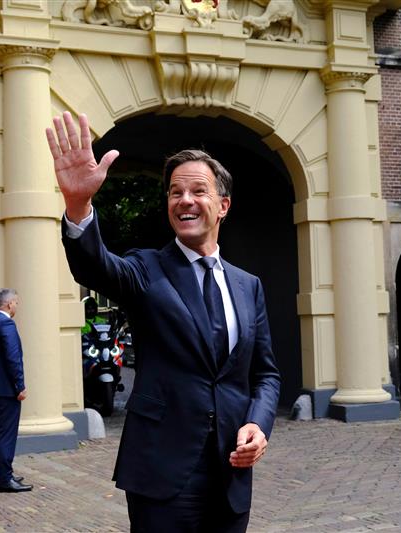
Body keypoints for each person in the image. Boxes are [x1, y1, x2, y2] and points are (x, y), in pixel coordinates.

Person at [47, 112, 281, 532]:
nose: (184, 200)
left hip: (231, 470)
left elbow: (265, 375)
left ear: (223, 206)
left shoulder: (249, 286)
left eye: (198, 190)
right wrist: (78, 204)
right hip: (162, 471)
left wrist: (258, 425)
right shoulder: (146, 269)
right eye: (175, 192)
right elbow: (96, 266)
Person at [0, 288, 32, 493]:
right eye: (16, 303)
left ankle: (0, 474)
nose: (17, 306)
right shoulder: (6, 324)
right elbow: (13, 358)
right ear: (9, 304)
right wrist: (20, 386)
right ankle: (4, 478)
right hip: (6, 389)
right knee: (5, 434)